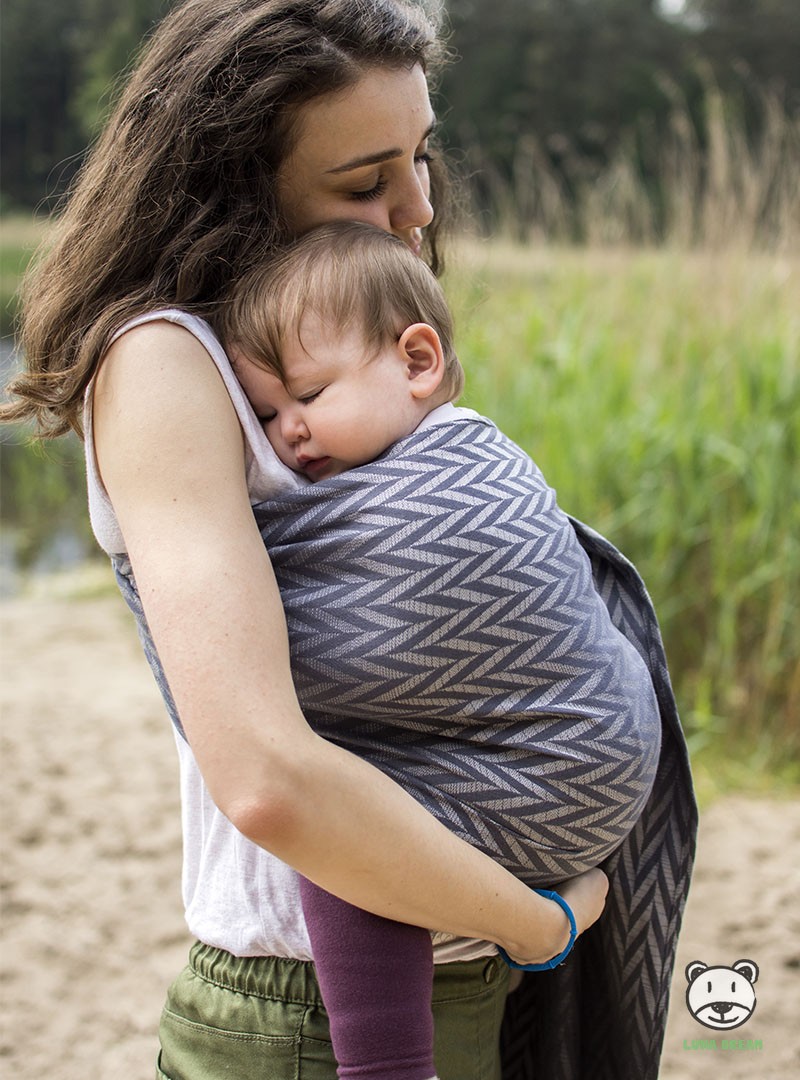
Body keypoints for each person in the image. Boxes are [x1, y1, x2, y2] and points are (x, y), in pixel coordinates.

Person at [1, 1, 696, 1078]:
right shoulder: (167, 363)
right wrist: (536, 926)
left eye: (420, 157)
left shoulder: (328, 334)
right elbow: (271, 778)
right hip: (314, 1007)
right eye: (365, 181)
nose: (416, 206)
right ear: (234, 182)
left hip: (449, 970)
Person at [218, 218, 665, 1078]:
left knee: (339, 829)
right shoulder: (442, 450)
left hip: (553, 770)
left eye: (308, 396)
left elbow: (386, 617)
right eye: (268, 415)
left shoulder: (462, 469)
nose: (287, 436)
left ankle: (386, 1066)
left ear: (418, 362)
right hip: (596, 780)